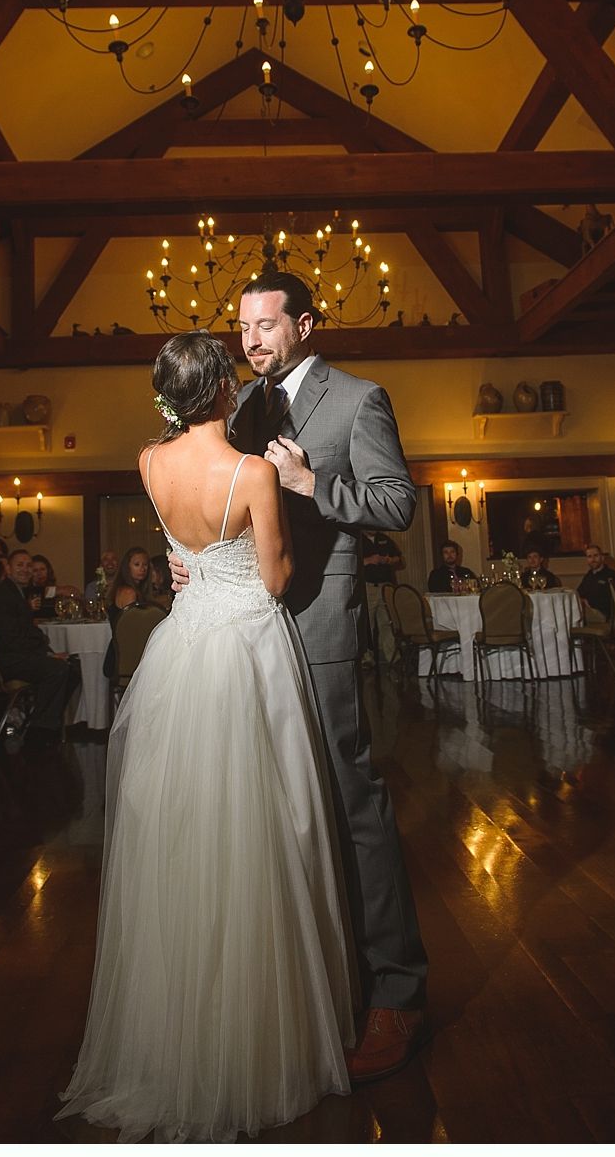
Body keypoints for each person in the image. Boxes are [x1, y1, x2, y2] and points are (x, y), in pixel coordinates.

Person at [59, 331, 353, 1141]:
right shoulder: (254, 472)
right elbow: (276, 576)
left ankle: (184, 1029)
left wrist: (192, 564)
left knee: (184, 829)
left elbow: (179, 549)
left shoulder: (149, 466)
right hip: (249, 645)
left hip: (183, 649)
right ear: (224, 389)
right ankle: (261, 1033)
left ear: (167, 396)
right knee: (266, 825)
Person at [167, 272, 427, 1083]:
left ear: (304, 324)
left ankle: (396, 992)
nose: (249, 338)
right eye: (241, 325)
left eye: (265, 324)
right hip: (244, 624)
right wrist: (196, 562)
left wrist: (316, 483)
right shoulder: (239, 406)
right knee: (273, 810)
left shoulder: (358, 399)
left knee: (350, 800)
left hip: (316, 625)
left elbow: (397, 503)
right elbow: (221, 495)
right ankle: (318, 982)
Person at [0, 550, 79, 744]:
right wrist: (46, 654)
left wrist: (46, 652)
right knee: (58, 669)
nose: (25, 570)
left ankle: (42, 720)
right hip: (8, 661)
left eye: (29, 566)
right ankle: (41, 730)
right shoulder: (3, 598)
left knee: (74, 667)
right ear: (8, 569)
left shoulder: (16, 594)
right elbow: (11, 641)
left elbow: (25, 633)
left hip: (17, 655)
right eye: (20, 565)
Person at [361, 530, 404, 666]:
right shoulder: (358, 540)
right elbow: (351, 561)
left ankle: (393, 657)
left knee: (387, 622)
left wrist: (389, 560)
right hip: (368, 586)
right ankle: (367, 658)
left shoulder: (384, 539)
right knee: (368, 624)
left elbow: (399, 558)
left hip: (386, 586)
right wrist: (368, 560)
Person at [576, 543, 615, 622]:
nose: (593, 559)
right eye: (589, 557)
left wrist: (587, 603)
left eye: (595, 555)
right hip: (587, 610)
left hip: (603, 614)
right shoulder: (588, 576)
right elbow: (579, 593)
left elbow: (614, 600)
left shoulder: (611, 575)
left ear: (602, 557)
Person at [105, 547, 152, 618]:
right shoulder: (128, 592)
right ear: (127, 566)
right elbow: (132, 622)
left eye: (145, 564)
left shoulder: (129, 588)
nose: (142, 569)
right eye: (137, 564)